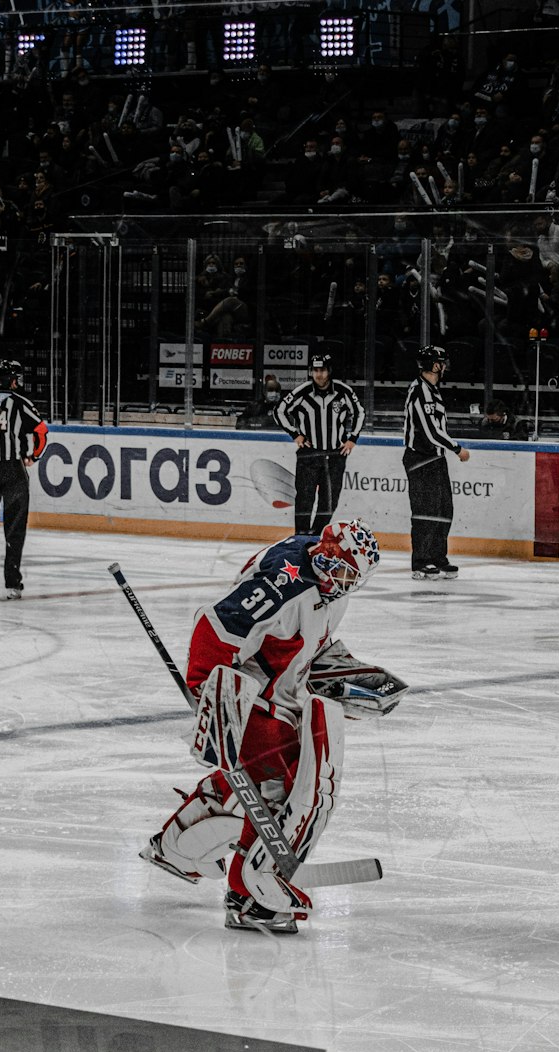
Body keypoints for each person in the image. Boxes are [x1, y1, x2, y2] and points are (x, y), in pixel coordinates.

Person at [140, 519, 405, 934]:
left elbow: (306, 644)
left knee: (256, 776)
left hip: (280, 695)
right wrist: (208, 697)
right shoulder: (284, 585)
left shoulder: (329, 583)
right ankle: (248, 896)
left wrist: (346, 678)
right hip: (249, 698)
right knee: (286, 785)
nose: (342, 581)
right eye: (338, 568)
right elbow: (215, 626)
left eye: (351, 576)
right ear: (324, 551)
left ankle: (178, 845)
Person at [274, 353, 365, 534]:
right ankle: (300, 537)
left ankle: (316, 536)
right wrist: (295, 434)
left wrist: (352, 439)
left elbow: (360, 413)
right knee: (304, 499)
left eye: (322, 370)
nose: (319, 375)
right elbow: (279, 411)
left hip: (334, 456)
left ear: (329, 371)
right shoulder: (302, 392)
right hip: (309, 454)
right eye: (315, 370)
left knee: (329, 501)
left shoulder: (343, 391)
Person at [402, 345, 471, 580]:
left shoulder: (432, 390)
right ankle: (421, 561)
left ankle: (437, 556)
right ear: (434, 365)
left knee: (443, 510)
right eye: (442, 362)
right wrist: (457, 448)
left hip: (435, 459)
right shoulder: (420, 391)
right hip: (421, 460)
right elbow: (431, 431)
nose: (445, 366)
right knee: (425, 511)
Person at [0, 358, 48, 599]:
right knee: (14, 528)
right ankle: (12, 584)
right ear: (12, 380)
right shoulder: (20, 402)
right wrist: (34, 456)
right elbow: (41, 431)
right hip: (13, 470)